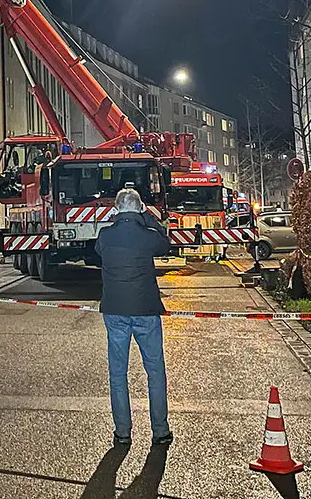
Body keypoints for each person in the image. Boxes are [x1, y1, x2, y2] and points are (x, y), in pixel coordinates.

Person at [95, 188, 173, 449]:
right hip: (146, 310)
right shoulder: (148, 236)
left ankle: (122, 432)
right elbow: (165, 243)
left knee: (118, 373)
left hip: (115, 311)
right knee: (155, 371)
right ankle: (160, 431)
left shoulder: (105, 235)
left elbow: (98, 251)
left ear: (116, 210)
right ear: (139, 208)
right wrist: (148, 217)